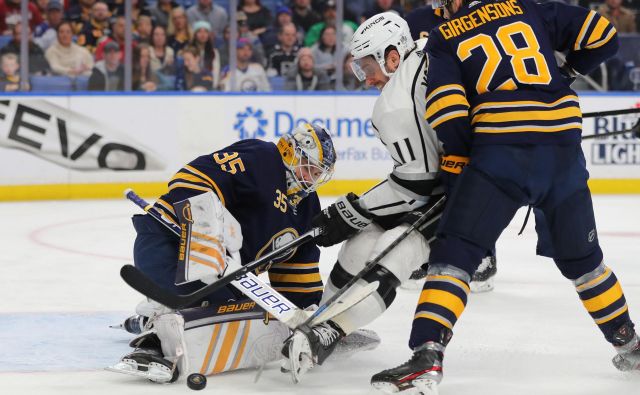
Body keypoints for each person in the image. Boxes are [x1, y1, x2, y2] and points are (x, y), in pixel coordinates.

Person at [371, 0, 640, 393]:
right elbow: (605, 36)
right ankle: (630, 344)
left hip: (501, 153)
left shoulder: (445, 35)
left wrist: (461, 164)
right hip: (563, 149)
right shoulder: (532, 9)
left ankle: (426, 355)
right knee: (585, 262)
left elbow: (447, 111)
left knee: (455, 253)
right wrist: (566, 74)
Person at [281, 12, 494, 382]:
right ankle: (321, 316)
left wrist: (352, 209)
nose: (367, 80)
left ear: (393, 56)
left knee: (396, 247)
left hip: (466, 187)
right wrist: (357, 216)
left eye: (368, 67)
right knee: (361, 241)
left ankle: (332, 330)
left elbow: (417, 184)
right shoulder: (424, 52)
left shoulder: (394, 104)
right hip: (454, 175)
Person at [107, 124, 374, 383]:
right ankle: (151, 340)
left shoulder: (306, 207)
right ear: (290, 151)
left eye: (316, 174)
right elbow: (190, 179)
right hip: (168, 242)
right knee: (198, 304)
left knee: (238, 315)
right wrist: (208, 235)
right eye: (308, 168)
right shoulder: (261, 157)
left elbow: (297, 274)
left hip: (224, 275)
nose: (309, 178)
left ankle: (148, 319)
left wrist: (314, 320)